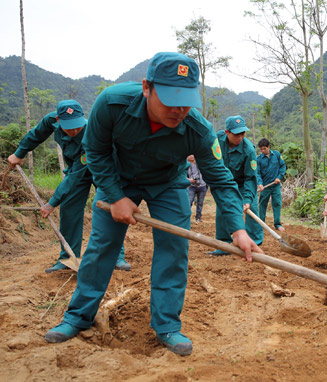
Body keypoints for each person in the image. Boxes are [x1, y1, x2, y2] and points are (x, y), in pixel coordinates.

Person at [44, 52, 262, 356]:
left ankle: (167, 326)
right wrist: (116, 196)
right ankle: (77, 317)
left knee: (174, 250)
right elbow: (95, 152)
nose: (179, 109)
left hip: (168, 183)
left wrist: (238, 229)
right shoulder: (112, 104)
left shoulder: (197, 129)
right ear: (147, 87)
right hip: (117, 179)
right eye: (170, 98)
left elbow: (222, 179)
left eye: (186, 100)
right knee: (101, 247)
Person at [7, 100, 130, 273]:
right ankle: (67, 258)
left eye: (77, 127)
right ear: (58, 119)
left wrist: (52, 203)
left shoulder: (90, 133)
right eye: (69, 127)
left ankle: (116, 256)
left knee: (109, 208)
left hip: (102, 169)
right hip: (75, 168)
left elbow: (74, 176)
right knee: (69, 209)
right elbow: (36, 134)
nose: (74, 130)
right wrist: (19, 153)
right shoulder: (51, 120)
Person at [207, 116, 264, 256]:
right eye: (236, 134)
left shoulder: (249, 149)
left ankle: (254, 242)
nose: (240, 137)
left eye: (243, 133)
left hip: (243, 183)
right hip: (225, 182)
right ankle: (224, 245)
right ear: (227, 132)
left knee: (252, 209)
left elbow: (251, 178)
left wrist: (246, 199)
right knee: (222, 210)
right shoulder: (217, 140)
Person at [256, 138, 286, 232]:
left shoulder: (276, 155)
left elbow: (283, 166)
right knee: (262, 204)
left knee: (277, 203)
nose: (262, 151)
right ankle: (261, 224)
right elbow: (257, 173)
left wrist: (279, 177)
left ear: (269, 147)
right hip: (265, 186)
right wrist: (260, 183)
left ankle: (277, 224)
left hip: (275, 185)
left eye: (264, 148)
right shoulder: (259, 159)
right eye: (261, 149)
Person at [186, 155, 207, 223]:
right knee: (189, 202)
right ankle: (186, 217)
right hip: (192, 186)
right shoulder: (185, 165)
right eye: (189, 155)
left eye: (193, 154)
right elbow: (182, 175)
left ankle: (198, 217)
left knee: (200, 203)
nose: (191, 156)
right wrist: (189, 180)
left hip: (202, 185)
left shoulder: (200, 163)